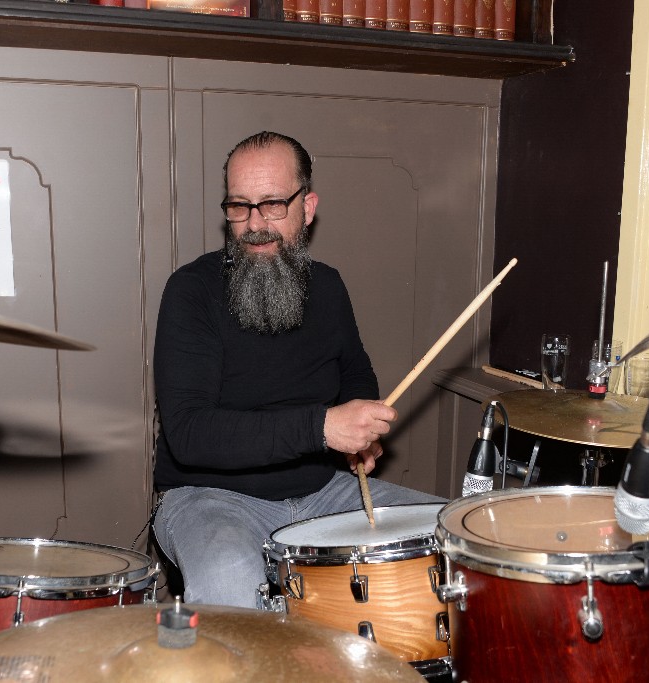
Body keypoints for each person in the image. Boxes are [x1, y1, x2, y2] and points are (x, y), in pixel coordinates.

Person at [152, 131, 443, 609]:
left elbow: (355, 375)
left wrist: (363, 431)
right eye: (239, 206)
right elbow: (190, 433)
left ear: (308, 207)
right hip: (208, 496)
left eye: (272, 205)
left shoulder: (328, 286)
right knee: (230, 577)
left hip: (323, 491)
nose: (253, 224)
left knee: (451, 533)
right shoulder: (190, 291)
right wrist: (323, 428)